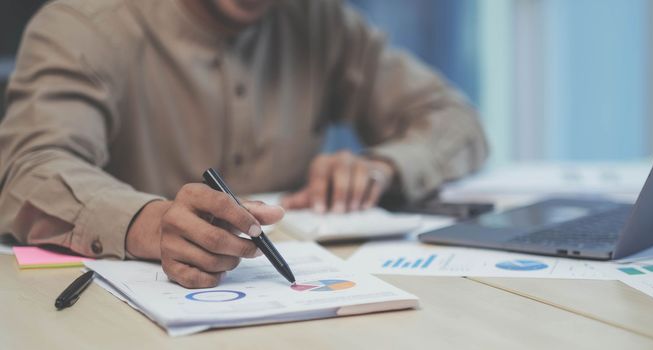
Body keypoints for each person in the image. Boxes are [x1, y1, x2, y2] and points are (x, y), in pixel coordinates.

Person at [0, 0, 488, 288]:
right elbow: (29, 169)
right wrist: (148, 223)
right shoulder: (83, 25)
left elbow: (456, 118)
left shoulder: (319, 22)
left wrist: (386, 165)